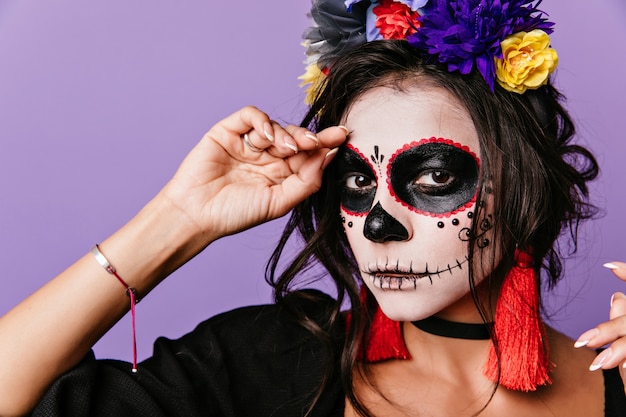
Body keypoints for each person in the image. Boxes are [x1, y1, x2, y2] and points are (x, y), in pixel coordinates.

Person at [0, 0, 625, 416]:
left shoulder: (615, 386)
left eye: (434, 175)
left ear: (525, 189)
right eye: (356, 182)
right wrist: (180, 219)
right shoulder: (273, 359)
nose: (377, 225)